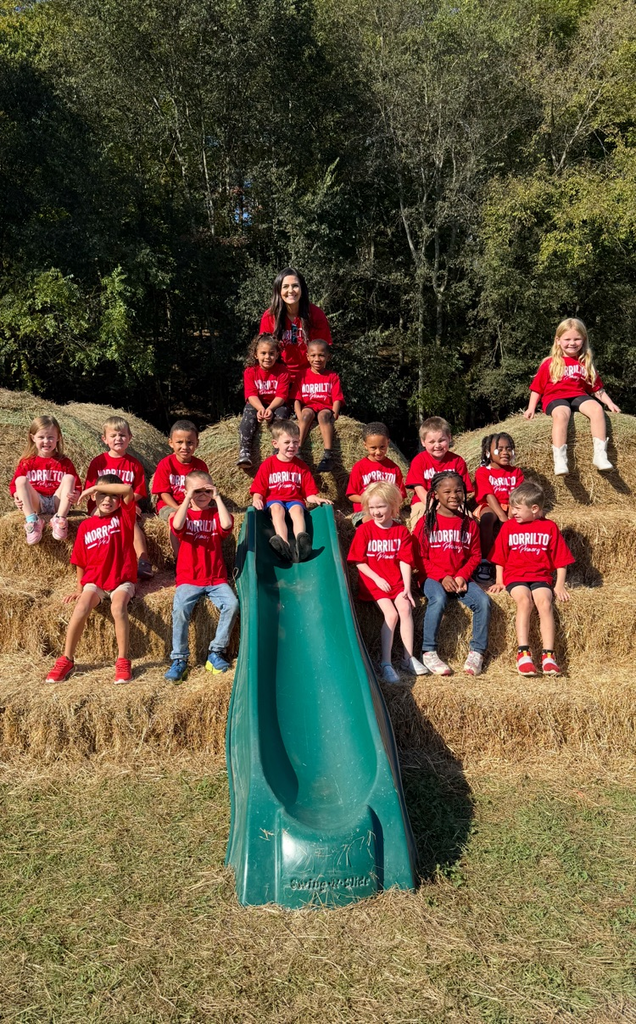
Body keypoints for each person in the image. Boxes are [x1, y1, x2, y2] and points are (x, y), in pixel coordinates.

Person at [45, 475, 137, 684]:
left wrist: (95, 486)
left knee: (118, 607)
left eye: (113, 496)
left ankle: (122, 660)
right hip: (95, 581)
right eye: (102, 495)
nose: (108, 500)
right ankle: (67, 659)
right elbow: (80, 561)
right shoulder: (86, 526)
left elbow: (128, 489)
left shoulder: (124, 516)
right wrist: (80, 589)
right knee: (81, 607)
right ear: (95, 498)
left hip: (121, 579)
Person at [488, 481, 574, 677]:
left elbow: (561, 560)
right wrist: (500, 580)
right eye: (512, 507)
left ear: (534, 509)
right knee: (524, 601)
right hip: (515, 576)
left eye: (517, 508)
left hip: (540, 576)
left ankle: (548, 656)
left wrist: (559, 585)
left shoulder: (549, 527)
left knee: (544, 603)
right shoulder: (509, 527)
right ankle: (524, 653)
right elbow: (499, 557)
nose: (513, 512)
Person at [347, 482, 428, 684]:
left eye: (381, 506)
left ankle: (408, 658)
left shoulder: (401, 532)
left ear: (393, 506)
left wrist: (407, 589)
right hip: (374, 582)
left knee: (405, 607)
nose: (376, 512)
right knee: (391, 615)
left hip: (396, 581)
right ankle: (386, 663)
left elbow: (405, 561)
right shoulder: (364, 530)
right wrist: (377, 578)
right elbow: (359, 561)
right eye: (372, 508)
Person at [413, 470, 491, 677]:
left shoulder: (470, 523)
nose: (454, 495)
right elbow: (419, 557)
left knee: (483, 601)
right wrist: (442, 576)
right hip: (432, 577)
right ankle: (429, 651)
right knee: (438, 598)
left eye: (458, 490)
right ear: (435, 494)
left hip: (459, 578)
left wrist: (462, 575)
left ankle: (477, 652)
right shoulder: (425, 523)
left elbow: (475, 555)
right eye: (446, 491)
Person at [164, 472, 238, 682]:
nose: (203, 495)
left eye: (207, 490)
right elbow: (177, 526)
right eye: (198, 491)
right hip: (189, 578)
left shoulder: (216, 514)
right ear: (187, 492)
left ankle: (216, 652)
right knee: (180, 611)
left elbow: (225, 526)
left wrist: (217, 498)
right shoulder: (183, 515)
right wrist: (187, 499)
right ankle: (179, 658)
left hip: (216, 578)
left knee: (232, 605)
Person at [524, 317, 620, 475]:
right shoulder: (550, 363)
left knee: (596, 409)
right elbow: (537, 388)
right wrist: (530, 408)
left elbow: (596, 388)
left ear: (584, 340)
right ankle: (560, 459)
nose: (572, 343)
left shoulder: (585, 363)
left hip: (578, 395)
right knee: (562, 414)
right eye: (567, 339)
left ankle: (600, 455)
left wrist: (609, 404)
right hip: (555, 397)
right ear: (558, 340)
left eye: (577, 339)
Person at [250, 419, 332, 562]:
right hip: (274, 500)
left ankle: (302, 543)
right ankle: (284, 544)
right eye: (287, 442)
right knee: (277, 509)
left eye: (295, 442)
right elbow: (259, 488)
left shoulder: (301, 467)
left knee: (297, 510)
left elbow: (309, 494)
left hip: (294, 500)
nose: (292, 446)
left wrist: (318, 499)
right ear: (275, 444)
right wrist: (257, 499)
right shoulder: (268, 465)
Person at [84, 416, 153, 580]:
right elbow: (91, 490)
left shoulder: (134, 464)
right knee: (95, 524)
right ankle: (93, 562)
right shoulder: (98, 462)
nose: (118, 439)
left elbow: (139, 491)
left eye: (122, 435)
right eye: (113, 435)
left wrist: (124, 503)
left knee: (133, 524)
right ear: (104, 439)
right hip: (100, 505)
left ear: (129, 438)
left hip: (124, 505)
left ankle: (144, 561)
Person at [10, 414, 81, 544]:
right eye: (41, 437)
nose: (46, 441)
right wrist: (17, 496)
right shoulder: (27, 462)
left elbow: (77, 485)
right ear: (33, 438)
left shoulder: (64, 462)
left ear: (58, 438)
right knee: (20, 480)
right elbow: (15, 486)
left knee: (69, 478)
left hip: (57, 502)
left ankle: (60, 519)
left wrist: (76, 494)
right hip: (37, 503)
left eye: (50, 437)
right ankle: (32, 521)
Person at [259, 267, 332, 378]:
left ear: (302, 289)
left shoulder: (316, 314)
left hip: (308, 377)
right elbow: (264, 351)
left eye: (295, 286)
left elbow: (323, 351)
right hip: (279, 376)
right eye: (285, 287)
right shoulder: (269, 316)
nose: (291, 290)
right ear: (279, 291)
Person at [152, 420, 209, 558]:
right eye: (179, 442)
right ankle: (180, 558)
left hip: (194, 504)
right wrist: (178, 508)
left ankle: (205, 556)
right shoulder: (166, 464)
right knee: (175, 519)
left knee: (209, 518)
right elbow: (163, 493)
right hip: (170, 505)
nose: (185, 447)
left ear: (197, 444)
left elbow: (204, 490)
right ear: (171, 443)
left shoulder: (200, 465)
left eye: (190, 443)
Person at [473, 432, 524, 583]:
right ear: (488, 453)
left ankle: (515, 564)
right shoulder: (483, 472)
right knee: (488, 518)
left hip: (512, 505)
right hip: (489, 505)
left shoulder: (516, 472)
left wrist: (510, 515)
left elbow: (517, 495)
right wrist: (502, 517)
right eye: (499, 449)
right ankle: (485, 562)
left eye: (508, 449)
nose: (505, 453)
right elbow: (488, 495)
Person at [237, 334, 291, 468]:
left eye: (271, 353)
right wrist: (261, 409)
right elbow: (251, 395)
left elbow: (282, 395)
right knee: (248, 416)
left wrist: (270, 409)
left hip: (276, 404)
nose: (267, 357)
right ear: (256, 354)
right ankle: (245, 451)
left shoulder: (283, 371)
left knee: (281, 418)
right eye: (263, 353)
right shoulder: (250, 371)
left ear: (277, 354)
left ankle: (278, 452)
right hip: (257, 403)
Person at [406, 416, 472, 522]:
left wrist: (453, 503)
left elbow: (462, 489)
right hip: (424, 501)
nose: (437, 445)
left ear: (449, 438)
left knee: (468, 519)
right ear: (423, 442)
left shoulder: (457, 461)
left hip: (452, 500)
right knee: (420, 521)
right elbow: (418, 488)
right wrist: (430, 503)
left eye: (442, 440)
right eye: (432, 442)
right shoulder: (419, 460)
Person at [293, 338, 344, 471]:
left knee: (323, 416)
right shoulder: (302, 375)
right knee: (305, 415)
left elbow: (337, 398)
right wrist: (298, 414)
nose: (317, 359)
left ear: (328, 357)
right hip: (309, 407)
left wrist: (335, 414)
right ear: (308, 357)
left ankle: (328, 455)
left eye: (321, 355)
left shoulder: (332, 376)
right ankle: (297, 450)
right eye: (313, 355)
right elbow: (296, 399)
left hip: (325, 407)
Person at [346, 422, 407, 525]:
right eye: (373, 448)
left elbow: (400, 495)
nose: (378, 452)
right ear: (365, 445)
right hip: (364, 512)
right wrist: (373, 502)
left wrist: (387, 504)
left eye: (382, 447)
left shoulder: (394, 468)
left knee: (392, 524)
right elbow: (351, 495)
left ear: (388, 443)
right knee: (370, 522)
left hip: (389, 512)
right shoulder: (359, 467)